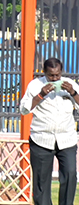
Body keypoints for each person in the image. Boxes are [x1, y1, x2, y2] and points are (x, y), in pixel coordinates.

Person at [20, 57, 78, 205]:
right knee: (41, 182)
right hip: (41, 140)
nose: (55, 78)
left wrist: (72, 93)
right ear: (44, 72)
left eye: (57, 75)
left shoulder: (70, 84)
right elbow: (24, 109)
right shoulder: (35, 85)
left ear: (61, 72)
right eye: (51, 75)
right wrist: (40, 95)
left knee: (70, 174)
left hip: (67, 140)